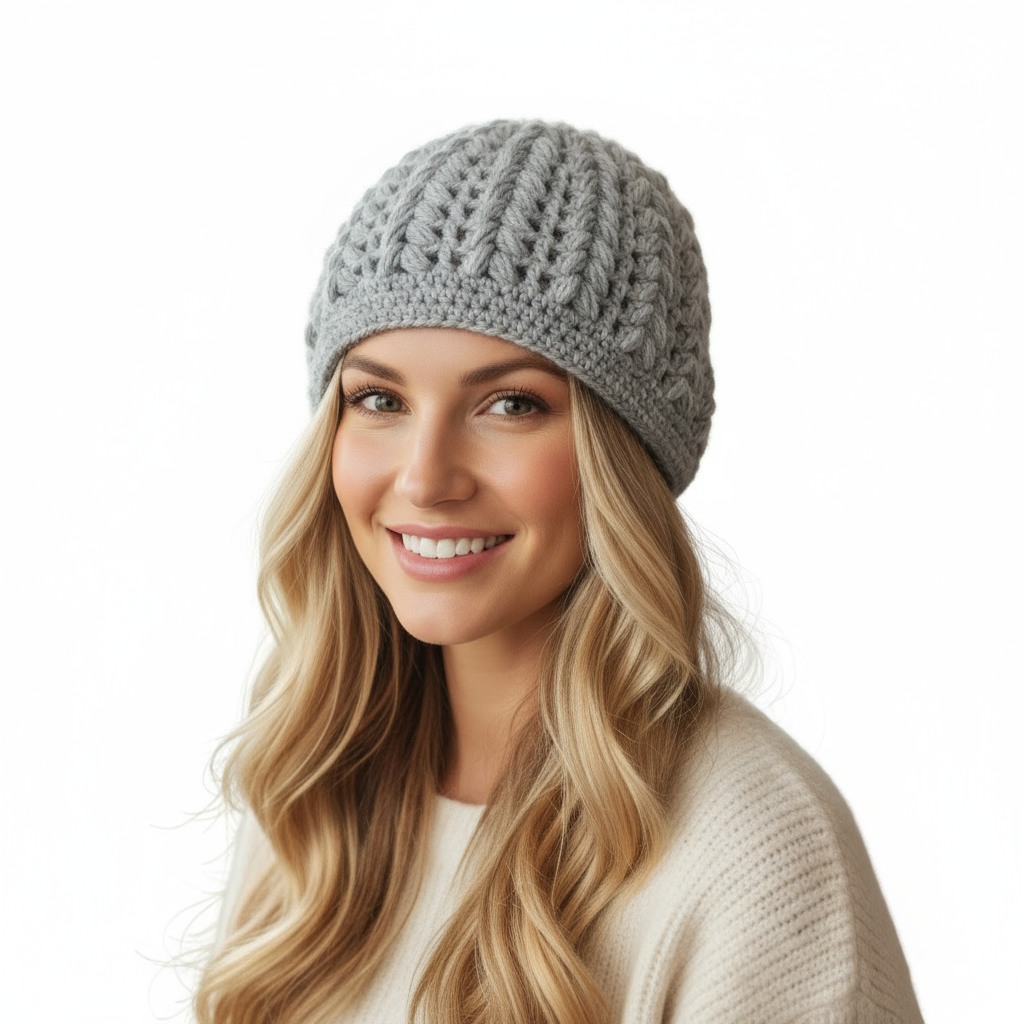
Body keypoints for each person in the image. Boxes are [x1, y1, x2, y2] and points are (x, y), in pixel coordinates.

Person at [193, 120, 923, 1024]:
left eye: (510, 404)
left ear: (621, 456)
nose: (425, 478)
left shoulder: (754, 851)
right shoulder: (315, 785)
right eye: (379, 398)